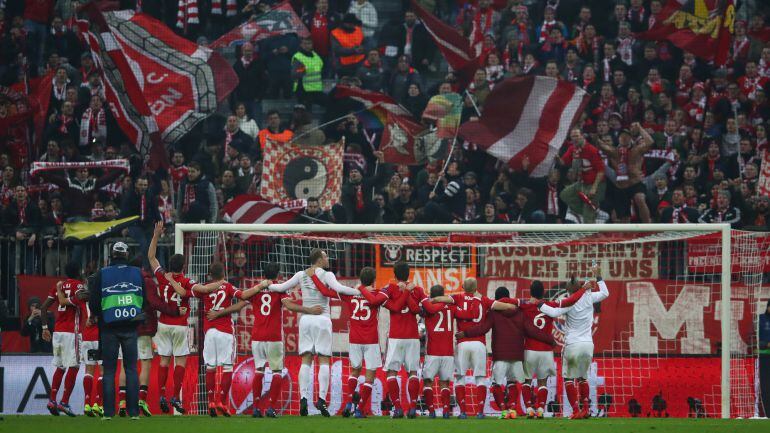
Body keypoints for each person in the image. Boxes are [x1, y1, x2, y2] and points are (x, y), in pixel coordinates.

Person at [213, 262, 320, 418]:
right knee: (277, 371)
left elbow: (238, 306)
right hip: (274, 337)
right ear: (277, 274)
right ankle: (271, 407)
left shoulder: (256, 289)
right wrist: (308, 309)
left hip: (257, 337)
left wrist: (219, 313)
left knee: (259, 370)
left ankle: (256, 408)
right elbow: (289, 305)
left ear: (264, 273)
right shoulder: (279, 289)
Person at [266, 248, 360, 416]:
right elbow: (340, 289)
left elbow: (281, 287)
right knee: (324, 360)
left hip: (306, 319)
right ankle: (322, 400)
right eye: (325, 256)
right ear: (318, 260)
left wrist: (267, 284)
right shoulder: (326, 274)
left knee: (306, 360)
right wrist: (359, 291)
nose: (327, 258)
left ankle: (303, 398)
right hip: (322, 318)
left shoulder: (301, 274)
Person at [457, 286, 556, 420]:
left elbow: (483, 328)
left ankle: (504, 410)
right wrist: (550, 339)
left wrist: (465, 333)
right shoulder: (520, 312)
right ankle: (512, 409)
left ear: (497, 300)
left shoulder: (494, 313)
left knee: (496, 384)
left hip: (500, 355)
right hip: (516, 355)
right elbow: (532, 330)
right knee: (513, 382)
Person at [166, 262, 247, 417]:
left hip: (209, 333)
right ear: (223, 274)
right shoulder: (228, 286)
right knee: (228, 367)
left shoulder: (203, 288)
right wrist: (223, 312)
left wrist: (171, 280)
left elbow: (183, 292)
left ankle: (210, 401)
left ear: (210, 274)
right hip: (225, 332)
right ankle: (221, 402)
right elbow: (243, 300)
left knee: (210, 367)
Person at [148, 221, 208, 414]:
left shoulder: (162, 276)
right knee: (180, 362)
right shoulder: (185, 281)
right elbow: (184, 292)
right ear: (184, 266)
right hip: (181, 326)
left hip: (163, 325)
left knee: (164, 361)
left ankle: (160, 395)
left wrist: (156, 234)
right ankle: (175, 396)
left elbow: (151, 257)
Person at [312, 266, 386, 418]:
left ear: (360, 279)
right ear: (373, 280)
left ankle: (349, 402)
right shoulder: (377, 294)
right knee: (370, 375)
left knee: (354, 371)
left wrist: (313, 277)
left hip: (354, 340)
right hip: (371, 340)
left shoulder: (349, 294)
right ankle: (359, 409)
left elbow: (326, 292)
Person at [539, 264, 609, 419]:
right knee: (583, 377)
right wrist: (598, 275)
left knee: (569, 378)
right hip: (588, 344)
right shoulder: (590, 297)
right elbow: (605, 292)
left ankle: (576, 411)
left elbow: (553, 312)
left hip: (572, 345)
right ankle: (586, 409)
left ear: (568, 291)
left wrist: (538, 304)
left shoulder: (569, 301)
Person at [87, 242, 146, 420]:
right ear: (126, 255)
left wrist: (100, 315)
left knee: (109, 371)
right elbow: (144, 300)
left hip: (108, 328)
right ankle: (134, 413)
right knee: (131, 370)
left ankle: (108, 413)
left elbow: (94, 303)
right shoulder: (137, 273)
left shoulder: (102, 274)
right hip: (130, 327)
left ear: (111, 255)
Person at [512, 280, 587, 418]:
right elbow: (570, 301)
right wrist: (583, 290)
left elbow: (508, 302)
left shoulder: (525, 305)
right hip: (546, 352)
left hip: (529, 349)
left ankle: (529, 409)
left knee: (527, 380)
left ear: (530, 291)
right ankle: (540, 409)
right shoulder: (550, 305)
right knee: (542, 381)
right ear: (543, 292)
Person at [419, 284, 474, 419]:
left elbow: (418, 312)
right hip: (448, 352)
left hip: (432, 351)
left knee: (428, 381)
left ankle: (431, 411)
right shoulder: (452, 307)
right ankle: (445, 411)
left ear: (432, 296)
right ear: (443, 295)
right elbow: (468, 314)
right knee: (445, 382)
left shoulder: (428, 308)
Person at [40, 262, 83, 417]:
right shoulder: (79, 286)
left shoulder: (59, 285)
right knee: (74, 366)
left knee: (60, 366)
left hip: (58, 332)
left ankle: (52, 400)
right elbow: (75, 303)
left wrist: (45, 328)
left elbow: (44, 307)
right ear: (78, 272)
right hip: (73, 332)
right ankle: (64, 402)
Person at [759, 300, 770, 417]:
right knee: (766, 387)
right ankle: (766, 413)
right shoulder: (760, 319)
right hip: (764, 358)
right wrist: (765, 344)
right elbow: (751, 338)